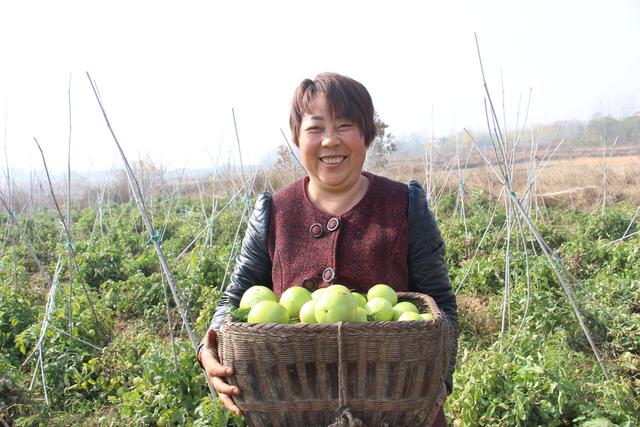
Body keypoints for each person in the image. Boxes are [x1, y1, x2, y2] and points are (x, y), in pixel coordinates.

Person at [197, 72, 458, 426]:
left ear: (367, 134)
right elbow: (235, 298)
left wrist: (439, 380)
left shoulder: (405, 205)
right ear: (297, 137)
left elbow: (440, 303)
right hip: (291, 407)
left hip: (398, 407)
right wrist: (209, 347)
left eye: (345, 125)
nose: (330, 141)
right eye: (315, 128)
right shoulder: (274, 212)